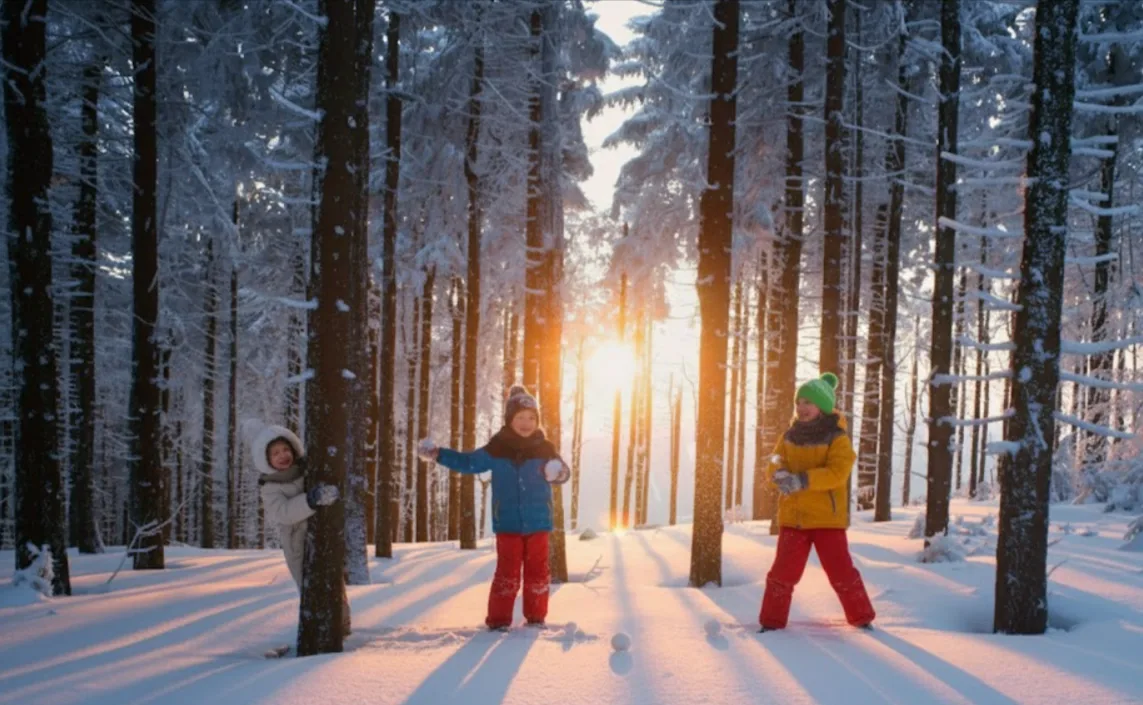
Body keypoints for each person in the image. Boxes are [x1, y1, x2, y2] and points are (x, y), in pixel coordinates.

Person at [418, 385, 570, 630]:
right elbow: (469, 463)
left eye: (531, 418)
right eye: (520, 417)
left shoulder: (545, 449)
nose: (526, 423)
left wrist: (558, 472)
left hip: (539, 522)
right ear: (510, 419)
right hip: (508, 523)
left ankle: (536, 619)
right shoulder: (497, 448)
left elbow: (562, 473)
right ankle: (498, 622)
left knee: (538, 573)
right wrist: (438, 454)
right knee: (507, 574)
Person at [759, 372, 876, 632]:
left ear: (822, 406)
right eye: (798, 402)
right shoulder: (789, 435)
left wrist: (802, 480)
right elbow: (776, 459)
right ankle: (771, 624)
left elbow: (837, 473)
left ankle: (862, 618)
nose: (801, 407)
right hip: (794, 518)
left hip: (827, 520)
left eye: (807, 402)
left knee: (841, 572)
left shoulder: (837, 438)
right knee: (782, 574)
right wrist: (776, 473)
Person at [250, 422, 351, 636]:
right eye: (275, 453)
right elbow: (284, 512)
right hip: (297, 545)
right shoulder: (270, 487)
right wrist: (311, 500)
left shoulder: (305, 470)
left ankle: (342, 626)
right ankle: (318, 630)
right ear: (267, 460)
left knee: (335, 583)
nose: (282, 455)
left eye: (286, 449)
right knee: (310, 586)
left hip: (321, 535)